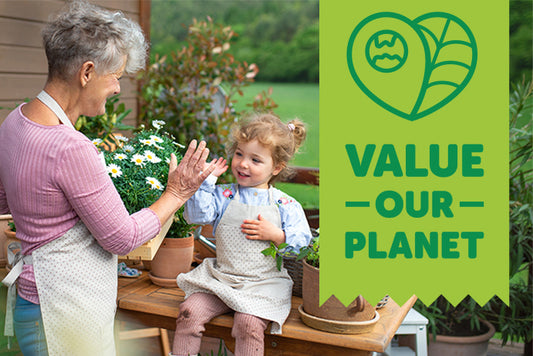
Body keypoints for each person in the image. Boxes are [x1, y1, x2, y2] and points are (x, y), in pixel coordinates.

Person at [0, 1, 216, 355]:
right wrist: (177, 192)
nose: (117, 88)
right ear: (86, 72)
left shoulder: (15, 122)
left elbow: (6, 199)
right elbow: (122, 238)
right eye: (115, 76)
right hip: (61, 315)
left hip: (33, 306)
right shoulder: (70, 147)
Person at [172, 113, 313, 356]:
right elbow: (196, 217)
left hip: (263, 284)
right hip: (221, 279)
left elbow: (303, 245)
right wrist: (205, 183)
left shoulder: (284, 204)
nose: (243, 164)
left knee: (248, 324)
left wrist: (278, 235)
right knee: (189, 312)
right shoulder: (223, 195)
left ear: (276, 167)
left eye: (255, 160)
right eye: (239, 154)